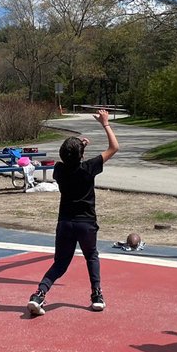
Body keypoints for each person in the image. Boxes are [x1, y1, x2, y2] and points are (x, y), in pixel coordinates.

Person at [27, 109, 119, 317]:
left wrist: (79, 146)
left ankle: (39, 294)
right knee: (91, 256)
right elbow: (114, 147)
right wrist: (105, 123)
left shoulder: (59, 169)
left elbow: (70, 159)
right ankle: (96, 295)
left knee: (60, 263)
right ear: (81, 155)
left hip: (65, 222)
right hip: (86, 222)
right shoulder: (88, 168)